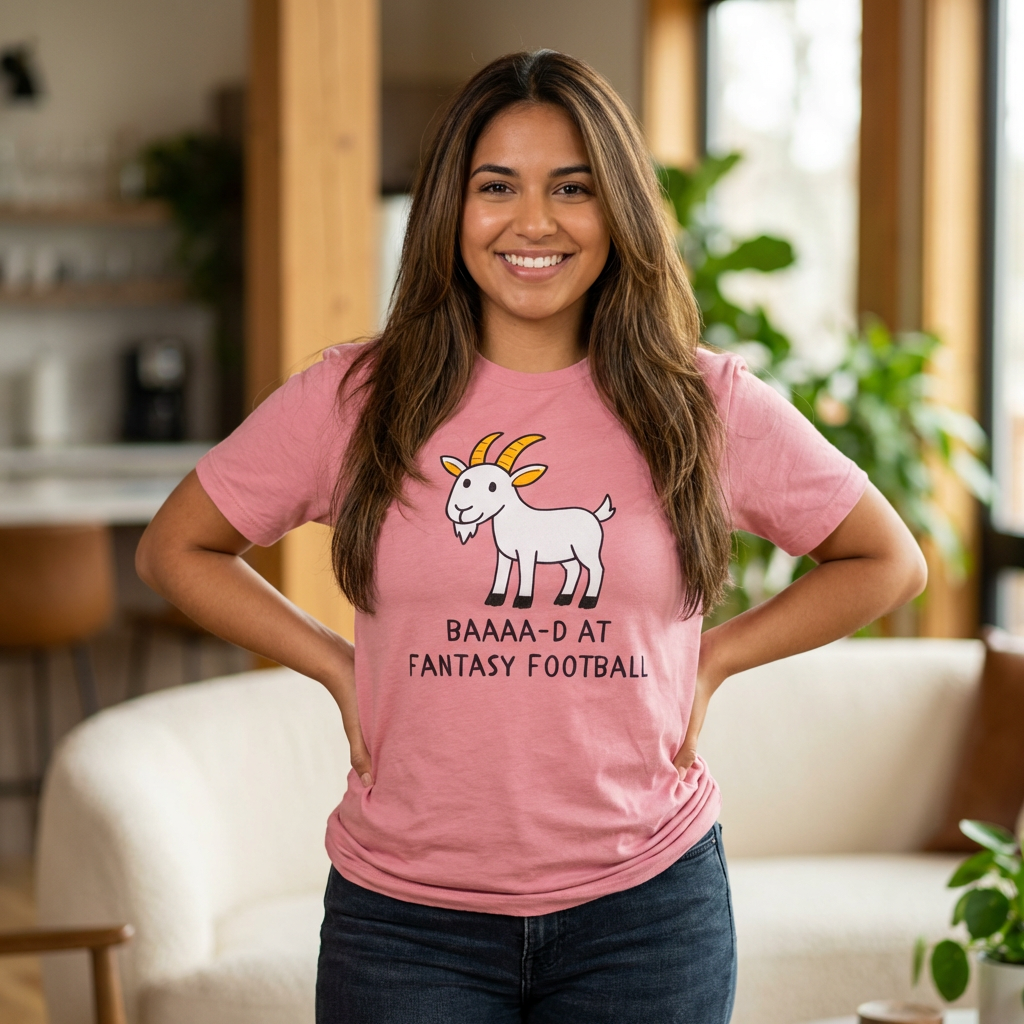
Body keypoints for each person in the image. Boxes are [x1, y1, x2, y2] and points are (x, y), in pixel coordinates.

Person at [137, 49, 927, 1024]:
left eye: (572, 188)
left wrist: (713, 662)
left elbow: (885, 558)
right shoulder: (355, 398)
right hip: (403, 921)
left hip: (647, 911)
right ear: (449, 210)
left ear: (618, 210)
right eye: (496, 186)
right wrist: (338, 668)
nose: (533, 221)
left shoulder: (701, 403)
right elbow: (176, 546)